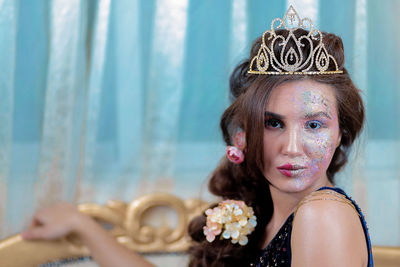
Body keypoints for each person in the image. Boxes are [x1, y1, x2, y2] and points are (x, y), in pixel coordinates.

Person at [22, 6, 373, 267]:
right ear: (243, 136)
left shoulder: (322, 215)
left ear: (341, 132)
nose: (293, 148)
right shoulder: (267, 215)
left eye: (314, 125)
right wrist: (83, 226)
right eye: (273, 123)